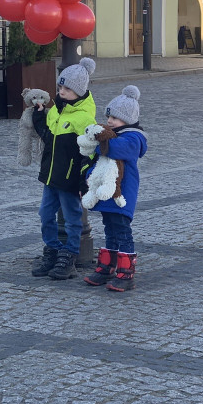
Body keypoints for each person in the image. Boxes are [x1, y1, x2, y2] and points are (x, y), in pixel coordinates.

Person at [30, 57, 98, 280]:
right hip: (51, 177)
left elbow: (88, 154)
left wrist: (82, 183)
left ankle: (69, 256)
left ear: (79, 91)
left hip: (69, 181)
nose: (62, 92)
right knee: (45, 215)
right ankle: (52, 250)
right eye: (60, 87)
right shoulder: (55, 112)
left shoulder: (84, 118)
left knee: (72, 218)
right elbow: (48, 138)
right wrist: (39, 117)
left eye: (67, 89)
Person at [82, 85, 147, 291]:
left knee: (122, 231)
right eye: (109, 116)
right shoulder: (113, 134)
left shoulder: (133, 138)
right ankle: (106, 266)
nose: (110, 121)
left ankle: (126, 272)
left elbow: (115, 150)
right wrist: (89, 177)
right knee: (109, 229)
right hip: (106, 194)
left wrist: (101, 136)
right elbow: (98, 161)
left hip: (122, 195)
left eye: (115, 118)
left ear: (127, 121)